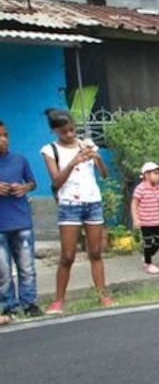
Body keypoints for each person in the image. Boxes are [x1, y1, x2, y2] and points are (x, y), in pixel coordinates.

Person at [40, 109, 112, 315]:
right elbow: (56, 182)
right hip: (69, 204)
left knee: (96, 253)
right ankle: (58, 301)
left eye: (72, 130)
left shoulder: (87, 144)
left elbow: (104, 175)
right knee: (67, 256)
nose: (70, 135)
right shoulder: (49, 150)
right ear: (55, 131)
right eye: (64, 132)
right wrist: (72, 162)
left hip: (92, 202)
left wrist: (96, 157)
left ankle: (103, 295)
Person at [0, 120, 42, 321]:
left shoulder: (20, 160)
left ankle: (30, 303)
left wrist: (23, 188)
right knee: (3, 271)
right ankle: (8, 306)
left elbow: (32, 183)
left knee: (27, 268)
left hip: (21, 221)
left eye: (5, 135)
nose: (3, 140)